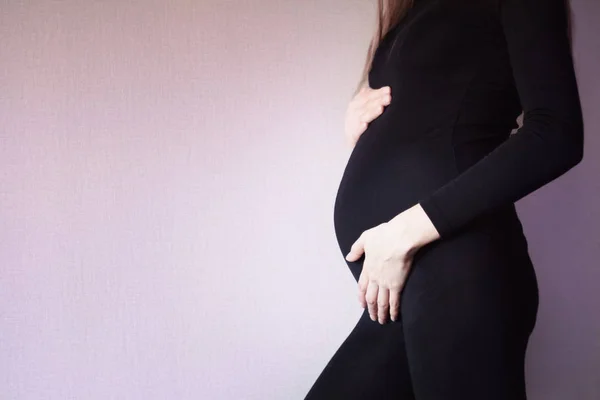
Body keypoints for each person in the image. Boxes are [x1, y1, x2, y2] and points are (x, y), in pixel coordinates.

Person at [303, 0, 584, 399]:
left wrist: (404, 233)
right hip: (411, 291)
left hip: (458, 270)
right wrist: (359, 110)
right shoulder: (410, 8)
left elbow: (557, 134)